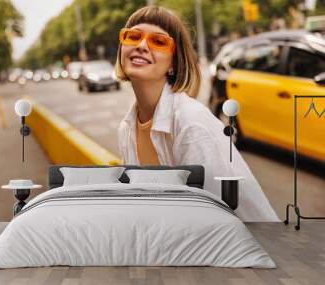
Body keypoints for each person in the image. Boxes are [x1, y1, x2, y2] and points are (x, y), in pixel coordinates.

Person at [115, 6, 279, 222]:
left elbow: (216, 219)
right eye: (133, 37)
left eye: (158, 41)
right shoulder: (126, 129)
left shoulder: (190, 124)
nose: (142, 45)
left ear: (173, 64)